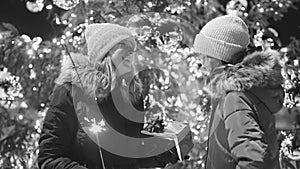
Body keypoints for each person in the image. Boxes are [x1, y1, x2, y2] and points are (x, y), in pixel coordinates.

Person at [38, 23, 179, 169]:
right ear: (104, 51)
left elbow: (130, 157)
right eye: (123, 44)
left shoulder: (132, 97)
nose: (131, 51)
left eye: (132, 48)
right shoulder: (72, 91)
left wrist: (165, 151)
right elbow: (49, 158)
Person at [193, 15, 284, 169]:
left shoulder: (235, 98)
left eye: (205, 55)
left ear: (219, 56)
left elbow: (256, 160)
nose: (202, 62)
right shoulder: (242, 91)